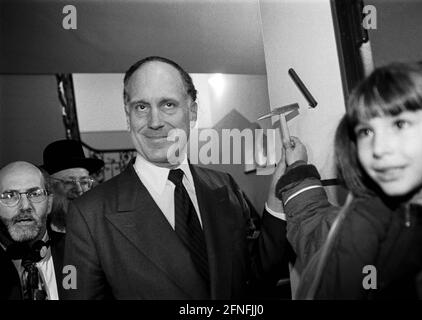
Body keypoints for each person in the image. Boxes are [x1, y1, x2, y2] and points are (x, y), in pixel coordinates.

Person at [62, 56, 289, 299]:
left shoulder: (224, 186)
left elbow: (256, 277)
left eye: (168, 104)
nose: (155, 122)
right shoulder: (90, 214)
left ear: (192, 111)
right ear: (127, 116)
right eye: (141, 107)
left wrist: (277, 197)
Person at [275, 60, 422, 299]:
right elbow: (320, 239)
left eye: (400, 123)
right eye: (366, 131)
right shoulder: (365, 219)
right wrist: (298, 167)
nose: (378, 148)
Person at [0, 161, 64, 300]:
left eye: (35, 194)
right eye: (10, 196)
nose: (25, 206)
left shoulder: (79, 251)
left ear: (49, 203)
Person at [42, 139, 104, 234]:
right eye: (69, 182)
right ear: (49, 187)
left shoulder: (104, 229)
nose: (79, 190)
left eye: (84, 182)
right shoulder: (39, 234)